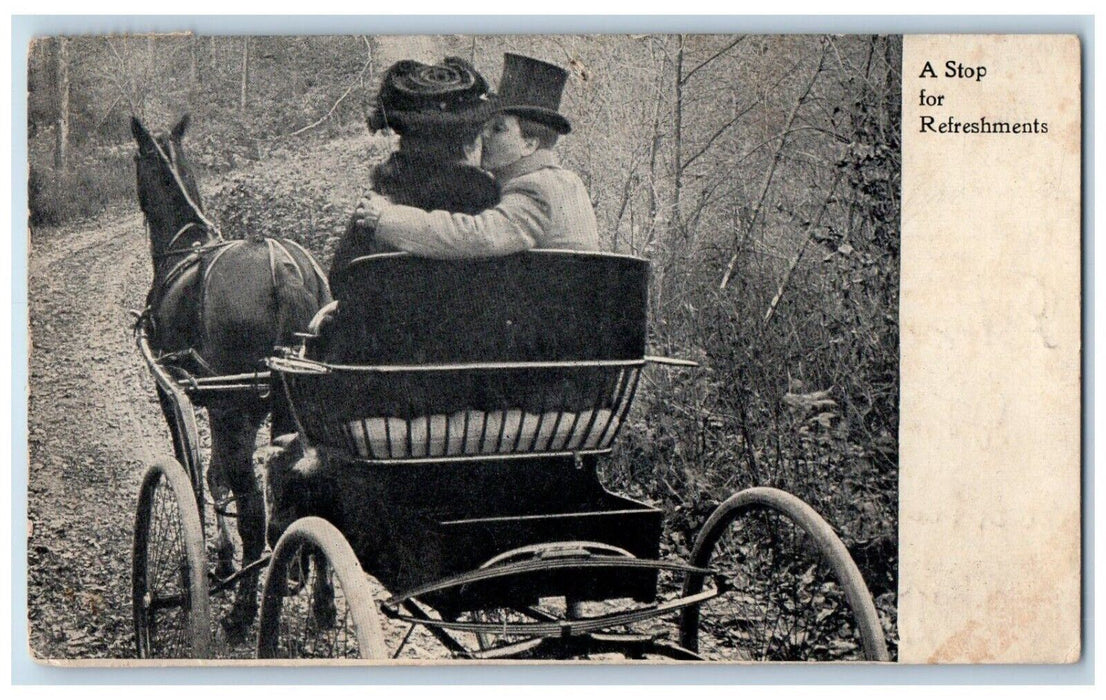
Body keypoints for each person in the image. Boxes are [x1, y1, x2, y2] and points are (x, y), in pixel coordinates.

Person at [353, 53, 600, 258]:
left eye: (499, 128)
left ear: (529, 144)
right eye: (487, 125)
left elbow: (478, 237)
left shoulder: (534, 188)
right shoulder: (566, 182)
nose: (485, 135)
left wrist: (386, 218)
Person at [328, 56, 501, 294]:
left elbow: (340, 280)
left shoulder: (376, 203)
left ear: (403, 137)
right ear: (469, 139)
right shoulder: (490, 200)